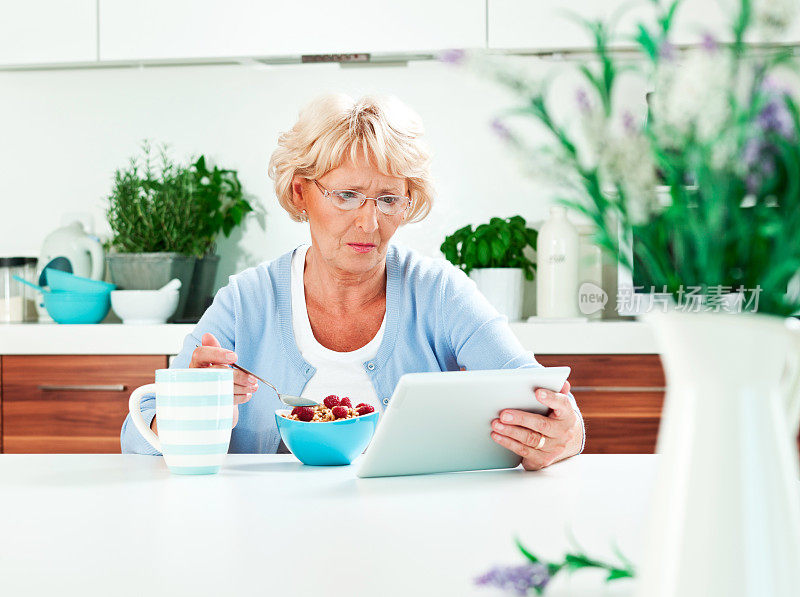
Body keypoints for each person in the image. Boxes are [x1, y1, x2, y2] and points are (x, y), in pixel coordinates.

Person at [121, 93, 584, 470]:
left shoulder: (440, 292)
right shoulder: (247, 301)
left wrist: (567, 435)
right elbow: (137, 441)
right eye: (346, 195)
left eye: (388, 199)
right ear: (301, 192)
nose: (369, 223)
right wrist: (191, 406)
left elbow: (538, 392)